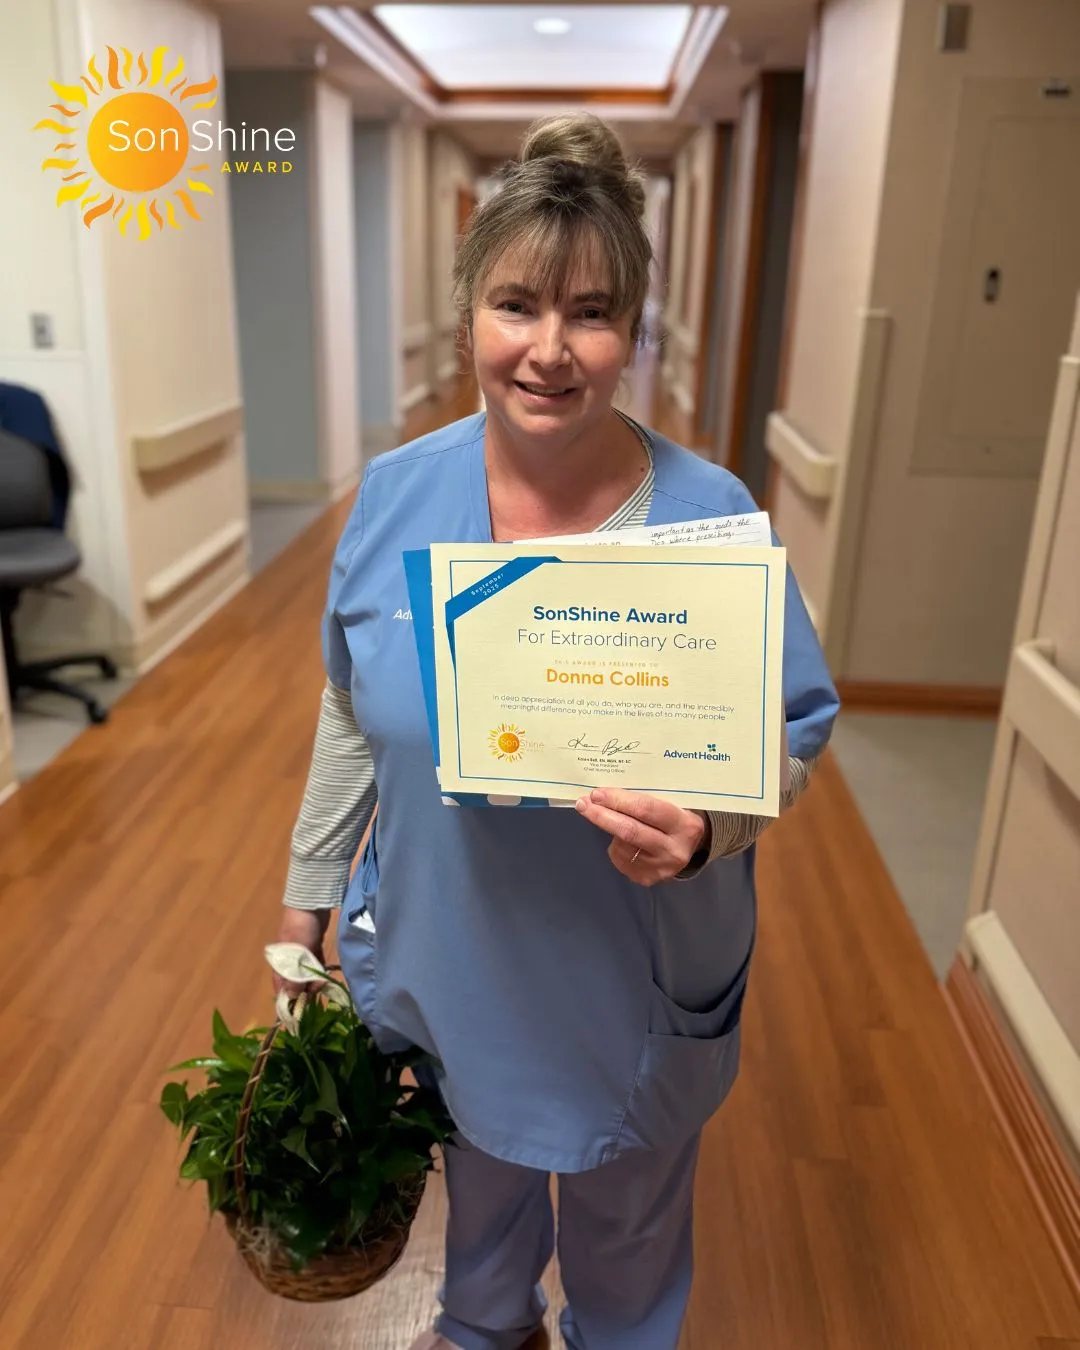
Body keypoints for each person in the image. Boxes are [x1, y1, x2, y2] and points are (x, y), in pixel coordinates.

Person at [273, 113, 839, 1350]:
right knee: (478, 1199)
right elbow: (350, 706)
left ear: (633, 329)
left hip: (625, 963)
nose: (548, 351)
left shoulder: (709, 517)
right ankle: (481, 1330)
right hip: (450, 942)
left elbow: (795, 729)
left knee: (628, 1236)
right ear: (470, 306)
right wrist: (306, 907)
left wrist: (712, 829)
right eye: (516, 304)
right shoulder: (397, 497)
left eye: (590, 312)